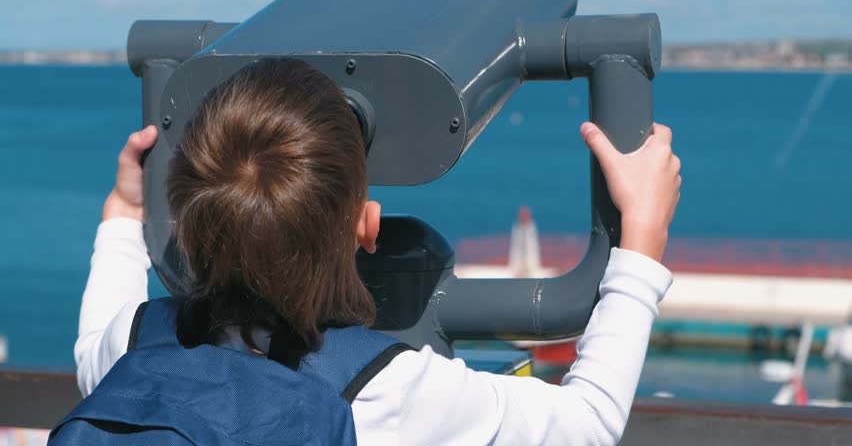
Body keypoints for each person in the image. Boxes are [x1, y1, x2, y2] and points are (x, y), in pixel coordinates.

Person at [70, 59, 680, 445]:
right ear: (365, 226)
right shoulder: (383, 389)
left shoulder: (137, 343)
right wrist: (643, 238)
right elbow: (587, 424)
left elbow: (90, 344)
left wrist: (124, 214)